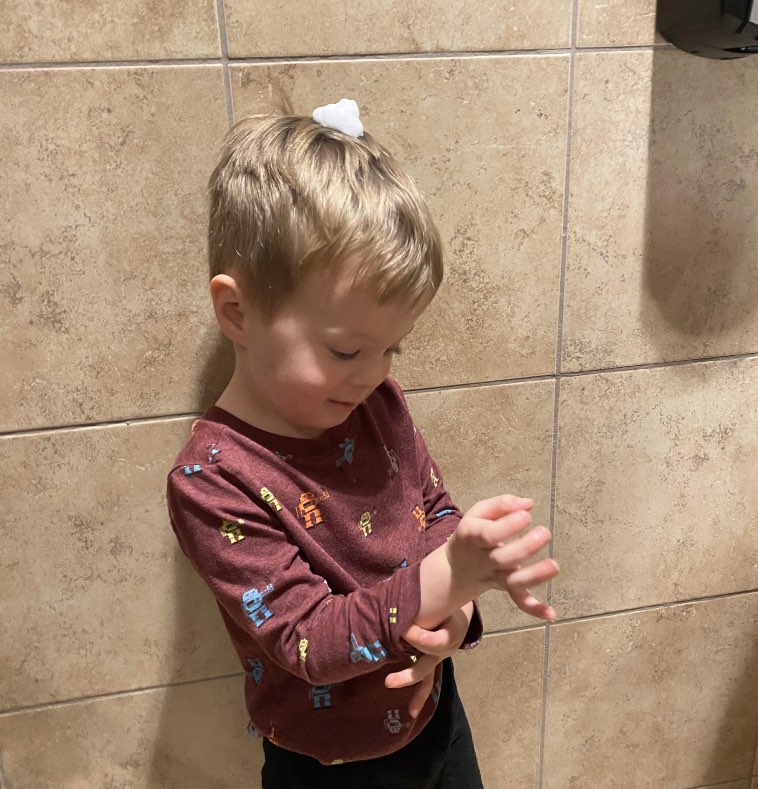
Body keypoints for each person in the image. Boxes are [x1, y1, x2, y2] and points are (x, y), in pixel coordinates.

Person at [166, 99, 559, 789]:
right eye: (347, 350)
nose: (375, 373)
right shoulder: (214, 479)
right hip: (329, 766)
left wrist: (458, 609)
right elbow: (309, 640)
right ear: (238, 312)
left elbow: (432, 511)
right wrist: (451, 578)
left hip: (433, 716)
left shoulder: (375, 403)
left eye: (391, 348)